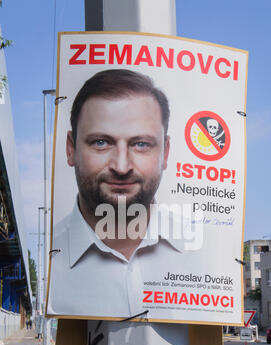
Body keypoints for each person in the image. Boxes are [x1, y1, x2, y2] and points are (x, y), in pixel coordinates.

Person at [47, 69, 202, 320]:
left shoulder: (199, 256)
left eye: (141, 144)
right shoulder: (48, 261)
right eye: (101, 142)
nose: (121, 166)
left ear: (165, 152)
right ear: (71, 149)